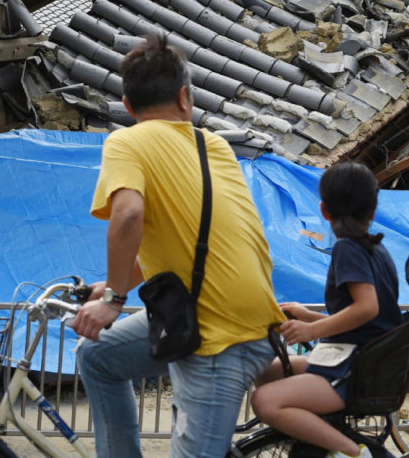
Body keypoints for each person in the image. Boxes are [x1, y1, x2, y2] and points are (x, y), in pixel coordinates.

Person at [70, 33, 286, 458]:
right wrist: (117, 285)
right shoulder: (215, 146)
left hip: (218, 335)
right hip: (236, 311)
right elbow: (187, 240)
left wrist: (113, 298)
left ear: (128, 108)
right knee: (98, 356)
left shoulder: (125, 141)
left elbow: (129, 215)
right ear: (185, 99)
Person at [251, 161, 403, 458]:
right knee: (266, 372)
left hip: (352, 369)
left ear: (323, 210)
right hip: (363, 363)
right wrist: (310, 316)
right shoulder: (378, 250)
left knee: (265, 402)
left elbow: (366, 308)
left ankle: (354, 452)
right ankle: (313, 436)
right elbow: (366, 320)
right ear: (372, 212)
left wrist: (311, 330)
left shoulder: (349, 249)